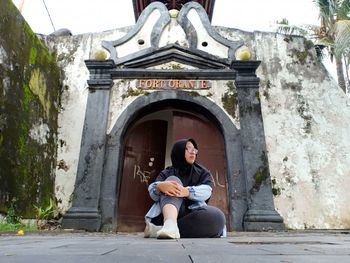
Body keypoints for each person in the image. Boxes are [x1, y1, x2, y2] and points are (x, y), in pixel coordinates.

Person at [144, 138, 226, 239]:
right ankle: (169, 223)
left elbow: (207, 191)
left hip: (191, 214)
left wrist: (186, 191)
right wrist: (159, 187)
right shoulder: (167, 172)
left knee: (217, 217)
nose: (193, 152)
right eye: (189, 149)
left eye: (195, 150)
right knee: (172, 180)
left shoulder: (202, 172)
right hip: (165, 215)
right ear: (179, 150)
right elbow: (153, 193)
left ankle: (159, 230)